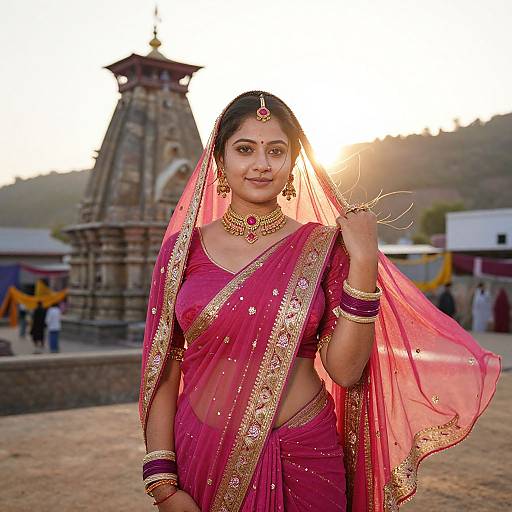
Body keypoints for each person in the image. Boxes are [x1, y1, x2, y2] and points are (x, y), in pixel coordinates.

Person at [139, 92, 500, 511]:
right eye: (244, 149)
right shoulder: (182, 251)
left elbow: (345, 371)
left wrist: (364, 260)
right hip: (202, 450)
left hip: (304, 452)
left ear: (293, 163)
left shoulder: (322, 248)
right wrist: (162, 483)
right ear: (219, 159)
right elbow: (165, 368)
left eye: (277, 151)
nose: (261, 164)